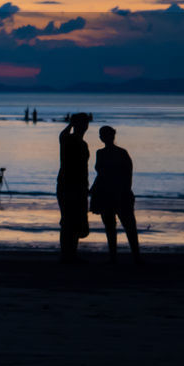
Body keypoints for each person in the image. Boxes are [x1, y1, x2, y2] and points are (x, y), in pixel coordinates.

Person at [90, 125, 141, 263]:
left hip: (116, 193)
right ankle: (121, 257)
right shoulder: (104, 153)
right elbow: (102, 175)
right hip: (108, 193)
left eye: (104, 135)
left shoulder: (117, 153)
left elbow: (126, 175)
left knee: (122, 226)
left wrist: (124, 192)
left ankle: (128, 256)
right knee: (121, 226)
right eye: (102, 135)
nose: (103, 137)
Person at [56, 112, 92, 263]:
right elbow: (62, 135)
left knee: (76, 221)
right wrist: (71, 123)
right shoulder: (68, 139)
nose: (85, 126)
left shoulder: (83, 144)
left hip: (80, 187)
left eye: (85, 123)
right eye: (82, 123)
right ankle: (66, 255)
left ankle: (72, 253)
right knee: (68, 221)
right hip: (67, 186)